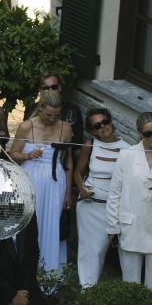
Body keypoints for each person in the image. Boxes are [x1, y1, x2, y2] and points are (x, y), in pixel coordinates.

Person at [9, 89, 73, 270]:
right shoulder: (26, 126)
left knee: (51, 223)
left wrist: (68, 192)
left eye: (56, 115)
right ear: (40, 107)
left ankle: (48, 271)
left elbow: (68, 160)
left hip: (54, 181)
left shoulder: (66, 128)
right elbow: (12, 154)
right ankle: (21, 268)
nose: (52, 119)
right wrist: (27, 156)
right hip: (30, 178)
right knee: (28, 221)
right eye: (48, 115)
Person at [73, 108, 127, 287]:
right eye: (97, 125)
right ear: (92, 130)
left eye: (105, 121)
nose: (103, 127)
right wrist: (82, 189)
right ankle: (87, 291)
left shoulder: (127, 148)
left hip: (113, 209)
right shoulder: (90, 145)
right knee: (90, 252)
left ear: (111, 122)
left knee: (110, 251)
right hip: (89, 207)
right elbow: (78, 172)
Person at [106, 110, 152, 287]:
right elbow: (114, 193)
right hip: (131, 226)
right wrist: (112, 226)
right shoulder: (127, 155)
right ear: (140, 133)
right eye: (148, 134)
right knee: (130, 284)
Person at [27, 71, 84, 145]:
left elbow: (77, 141)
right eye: (46, 88)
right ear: (40, 90)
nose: (50, 90)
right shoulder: (31, 109)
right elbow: (26, 135)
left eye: (54, 87)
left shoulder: (72, 109)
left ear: (59, 87)